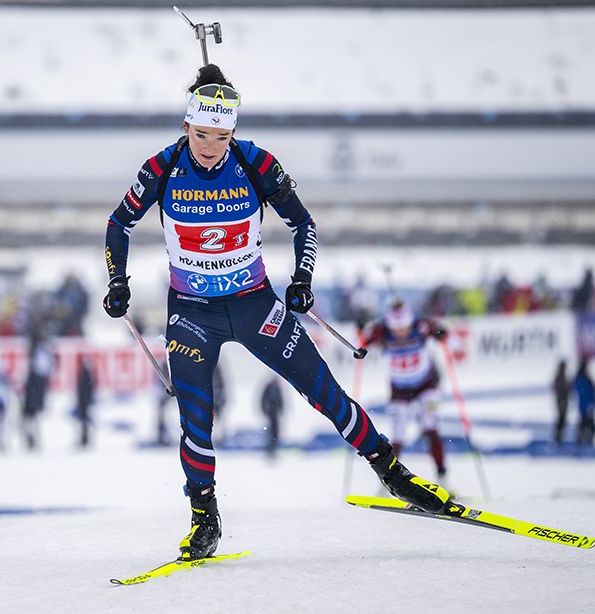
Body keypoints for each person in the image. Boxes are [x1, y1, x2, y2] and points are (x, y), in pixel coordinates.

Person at [102, 64, 456, 561]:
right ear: (186, 127)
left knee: (322, 390)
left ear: (233, 132)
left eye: (220, 136)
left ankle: (392, 473)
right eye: (200, 134)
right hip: (191, 314)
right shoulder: (161, 168)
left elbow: (304, 224)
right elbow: (119, 223)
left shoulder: (255, 163)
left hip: (254, 304)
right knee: (195, 417)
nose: (209, 146)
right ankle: (205, 517)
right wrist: (118, 281)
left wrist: (303, 279)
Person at [363, 300, 449, 478]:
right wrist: (362, 344)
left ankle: (443, 477)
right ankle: (389, 480)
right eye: (397, 328)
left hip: (425, 384)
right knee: (398, 436)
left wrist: (441, 333)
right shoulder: (383, 331)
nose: (401, 332)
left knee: (431, 427)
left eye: (405, 327)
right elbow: (364, 341)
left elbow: (441, 331)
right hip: (399, 389)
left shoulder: (421, 326)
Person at [22, 329, 55, 450]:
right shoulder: (41, 354)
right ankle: (33, 440)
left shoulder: (41, 354)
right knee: (30, 418)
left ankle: (34, 440)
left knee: (32, 418)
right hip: (33, 392)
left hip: (34, 393)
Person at [572, 357, 595, 446]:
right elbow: (588, 392)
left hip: (583, 405)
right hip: (587, 405)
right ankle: (586, 441)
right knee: (590, 425)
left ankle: (581, 440)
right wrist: (592, 403)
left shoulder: (579, 378)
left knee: (584, 424)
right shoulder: (584, 378)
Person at [259, 376, 285, 459]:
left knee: (276, 431)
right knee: (271, 431)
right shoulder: (268, 387)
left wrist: (281, 409)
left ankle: (274, 448)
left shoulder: (278, 388)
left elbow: (281, 400)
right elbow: (263, 400)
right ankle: (270, 450)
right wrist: (265, 410)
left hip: (275, 412)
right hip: (270, 412)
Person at [76, 355, 96, 448]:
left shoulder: (86, 373)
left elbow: (87, 388)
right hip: (84, 401)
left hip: (84, 401)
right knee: (84, 421)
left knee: (85, 421)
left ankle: (85, 439)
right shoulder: (87, 373)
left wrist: (85, 400)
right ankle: (84, 438)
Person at [552, 360, 569, 445]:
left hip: (562, 400)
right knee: (561, 419)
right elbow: (556, 388)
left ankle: (559, 437)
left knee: (561, 419)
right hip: (561, 400)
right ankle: (558, 438)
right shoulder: (560, 377)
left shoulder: (562, 376)